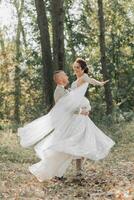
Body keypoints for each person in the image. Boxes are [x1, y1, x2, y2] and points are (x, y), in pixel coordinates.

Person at [18, 60, 115, 182]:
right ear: (60, 79)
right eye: (65, 75)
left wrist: (83, 109)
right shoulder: (60, 91)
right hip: (71, 122)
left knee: (78, 144)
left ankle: (73, 172)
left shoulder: (65, 89)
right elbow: (67, 107)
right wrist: (81, 111)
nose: (68, 75)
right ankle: (58, 172)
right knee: (67, 148)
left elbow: (73, 101)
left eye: (77, 68)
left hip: (77, 120)